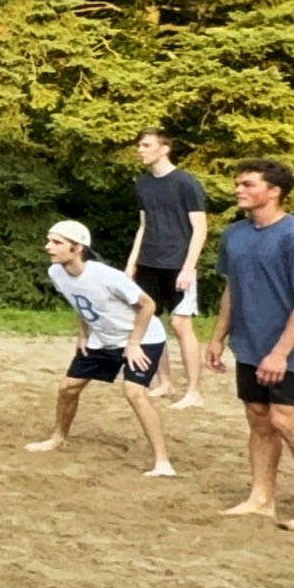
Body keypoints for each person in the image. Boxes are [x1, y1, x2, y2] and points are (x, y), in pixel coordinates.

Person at [206, 159, 294, 532]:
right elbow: (233, 288)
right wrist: (218, 337)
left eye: (248, 184)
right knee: (259, 419)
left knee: (287, 420)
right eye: (237, 184)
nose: (238, 190)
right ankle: (261, 499)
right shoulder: (234, 235)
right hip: (250, 345)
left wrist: (280, 352)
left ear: (274, 191)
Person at [27, 220, 176, 476]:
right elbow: (82, 303)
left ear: (77, 248)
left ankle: (162, 462)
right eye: (49, 240)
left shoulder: (107, 277)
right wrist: (83, 333)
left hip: (142, 338)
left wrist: (133, 343)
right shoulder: (56, 273)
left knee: (134, 392)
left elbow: (148, 305)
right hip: (102, 339)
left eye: (56, 242)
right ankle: (58, 437)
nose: (48, 247)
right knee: (68, 388)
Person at [126, 130, 207, 409]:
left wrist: (188, 268)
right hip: (149, 261)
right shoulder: (143, 184)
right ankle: (165, 382)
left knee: (180, 323)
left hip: (178, 264)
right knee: (150, 322)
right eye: (139, 145)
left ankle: (194, 391)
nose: (140, 149)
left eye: (146, 145)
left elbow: (200, 229)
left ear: (164, 149)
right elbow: (144, 225)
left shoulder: (186, 183)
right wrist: (131, 264)